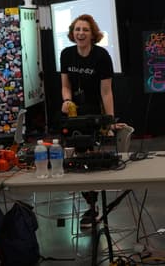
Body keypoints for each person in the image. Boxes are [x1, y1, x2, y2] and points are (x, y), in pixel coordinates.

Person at [60, 14, 114, 228]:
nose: (80, 33)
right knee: (76, 161)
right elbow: (65, 85)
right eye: (77, 29)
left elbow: (107, 92)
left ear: (93, 34)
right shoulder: (66, 54)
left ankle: (93, 207)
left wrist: (109, 123)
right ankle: (90, 204)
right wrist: (66, 100)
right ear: (73, 33)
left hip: (93, 112)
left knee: (90, 161)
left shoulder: (101, 56)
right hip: (73, 112)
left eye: (85, 30)